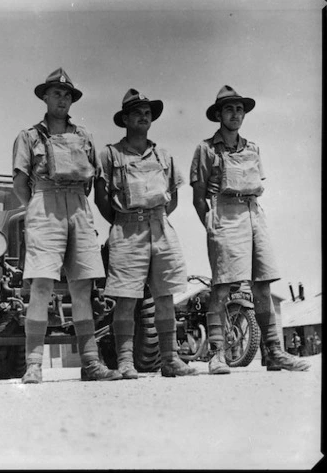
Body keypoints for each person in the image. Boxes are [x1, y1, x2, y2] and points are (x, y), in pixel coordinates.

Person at [190, 85, 309, 373]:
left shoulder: (253, 148)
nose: (235, 114)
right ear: (218, 114)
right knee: (222, 287)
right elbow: (198, 197)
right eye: (229, 109)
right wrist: (213, 225)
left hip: (254, 213)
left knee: (263, 285)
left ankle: (274, 353)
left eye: (240, 109)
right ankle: (218, 353)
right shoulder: (206, 149)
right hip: (224, 213)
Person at [12, 67, 121, 383]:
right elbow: (20, 184)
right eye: (56, 93)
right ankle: (34, 364)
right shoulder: (29, 136)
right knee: (42, 285)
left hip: (78, 207)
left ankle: (90, 363)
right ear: (45, 96)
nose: (62, 99)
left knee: (82, 286)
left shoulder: (84, 136)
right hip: (44, 205)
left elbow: (93, 180)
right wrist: (38, 207)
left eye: (67, 95)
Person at [94, 89, 197, 379]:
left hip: (161, 228)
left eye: (148, 112)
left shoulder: (164, 154)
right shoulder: (110, 155)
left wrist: (155, 218)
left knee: (165, 297)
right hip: (126, 230)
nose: (144, 116)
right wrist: (124, 222)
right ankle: (125, 361)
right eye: (137, 111)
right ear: (125, 118)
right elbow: (101, 199)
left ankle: (170, 359)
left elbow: (173, 196)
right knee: (126, 299)